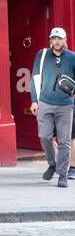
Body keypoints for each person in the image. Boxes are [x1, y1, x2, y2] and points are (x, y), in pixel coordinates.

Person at [30, 26, 75, 187]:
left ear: (65, 40)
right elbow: (35, 77)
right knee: (45, 136)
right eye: (54, 38)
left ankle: (62, 174)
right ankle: (52, 163)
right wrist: (34, 100)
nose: (57, 41)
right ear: (50, 40)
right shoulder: (42, 55)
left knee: (64, 141)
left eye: (60, 38)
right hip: (45, 102)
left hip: (65, 105)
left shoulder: (72, 57)